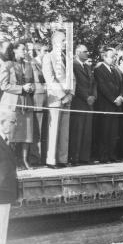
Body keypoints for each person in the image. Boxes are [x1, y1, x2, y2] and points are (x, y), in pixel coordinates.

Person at [0, 41, 35, 169]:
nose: (25, 52)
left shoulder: (28, 65)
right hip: (12, 104)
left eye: (26, 50)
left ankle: (25, 160)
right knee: (12, 133)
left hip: (27, 103)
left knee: (27, 133)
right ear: (14, 50)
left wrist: (31, 88)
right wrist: (21, 88)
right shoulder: (7, 65)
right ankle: (12, 161)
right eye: (22, 49)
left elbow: (32, 83)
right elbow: (3, 85)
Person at [42, 30, 74, 169]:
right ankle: (51, 160)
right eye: (63, 40)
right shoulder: (48, 57)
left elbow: (73, 78)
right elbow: (50, 78)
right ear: (55, 41)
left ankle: (62, 159)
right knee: (53, 129)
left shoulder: (67, 58)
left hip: (68, 98)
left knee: (64, 130)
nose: (65, 43)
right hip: (56, 98)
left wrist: (71, 93)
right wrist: (62, 95)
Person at [0, 109, 18, 244]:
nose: (16, 125)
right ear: (1, 122)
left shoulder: (0, 138)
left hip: (2, 196)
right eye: (13, 122)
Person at [94, 47, 123, 163]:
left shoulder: (115, 70)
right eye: (112, 56)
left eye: (115, 56)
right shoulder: (99, 69)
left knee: (113, 132)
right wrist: (113, 99)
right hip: (106, 105)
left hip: (116, 105)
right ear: (104, 57)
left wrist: (121, 96)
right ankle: (103, 156)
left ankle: (112, 155)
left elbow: (121, 86)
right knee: (104, 131)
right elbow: (102, 87)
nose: (114, 59)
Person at [68, 45, 97, 165]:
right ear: (78, 52)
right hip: (79, 102)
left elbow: (94, 83)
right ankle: (74, 157)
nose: (87, 53)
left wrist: (94, 96)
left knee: (87, 131)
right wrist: (86, 97)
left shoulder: (87, 66)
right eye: (85, 52)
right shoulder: (73, 65)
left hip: (89, 103)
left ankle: (84, 157)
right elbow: (76, 84)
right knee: (78, 130)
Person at [29, 43, 48, 165]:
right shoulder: (33, 63)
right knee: (37, 131)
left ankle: (43, 158)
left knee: (44, 131)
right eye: (45, 51)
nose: (47, 53)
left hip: (47, 99)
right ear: (37, 51)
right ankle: (35, 158)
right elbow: (39, 77)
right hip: (38, 99)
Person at [0, 40, 12, 114]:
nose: (11, 51)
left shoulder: (14, 64)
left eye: (12, 48)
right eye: (8, 48)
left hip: (11, 106)